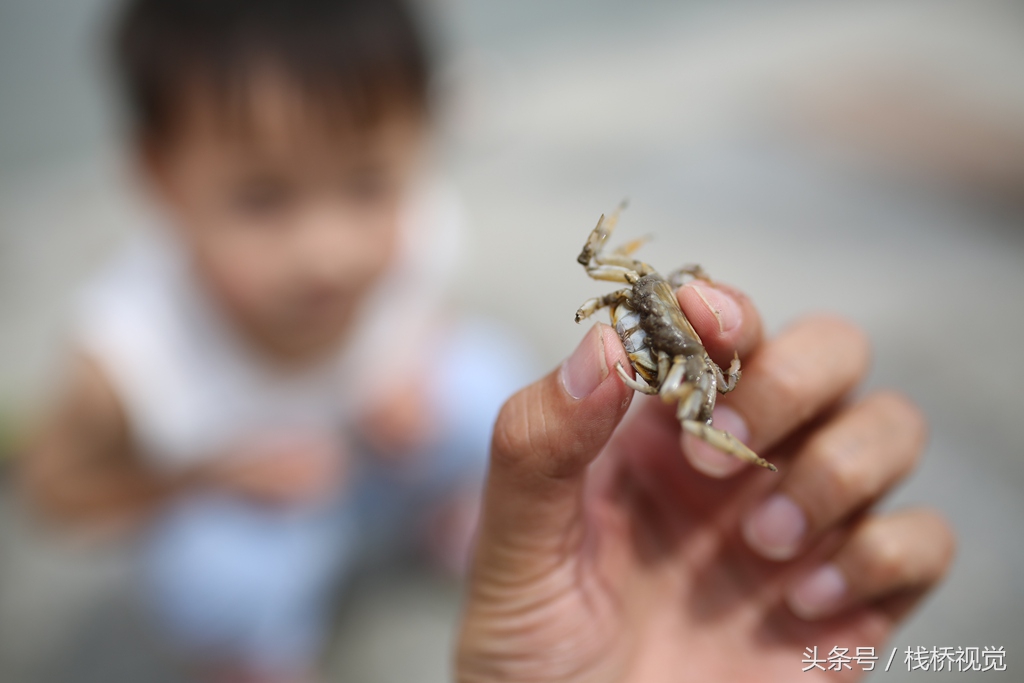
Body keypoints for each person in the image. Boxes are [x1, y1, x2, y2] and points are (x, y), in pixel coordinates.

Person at [21, 1, 527, 682]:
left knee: (486, 386)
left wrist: (410, 359)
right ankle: (257, 648)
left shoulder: (416, 224)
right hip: (261, 518)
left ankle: (442, 518)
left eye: (367, 183)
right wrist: (212, 477)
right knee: (209, 579)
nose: (327, 253)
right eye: (263, 198)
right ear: (160, 174)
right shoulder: (129, 349)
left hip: (382, 458)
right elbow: (53, 490)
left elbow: (422, 303)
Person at [456, 281, 955, 681]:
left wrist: (727, 378)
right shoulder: (641, 289)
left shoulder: (685, 358)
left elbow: (723, 380)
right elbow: (605, 273)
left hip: (679, 361)